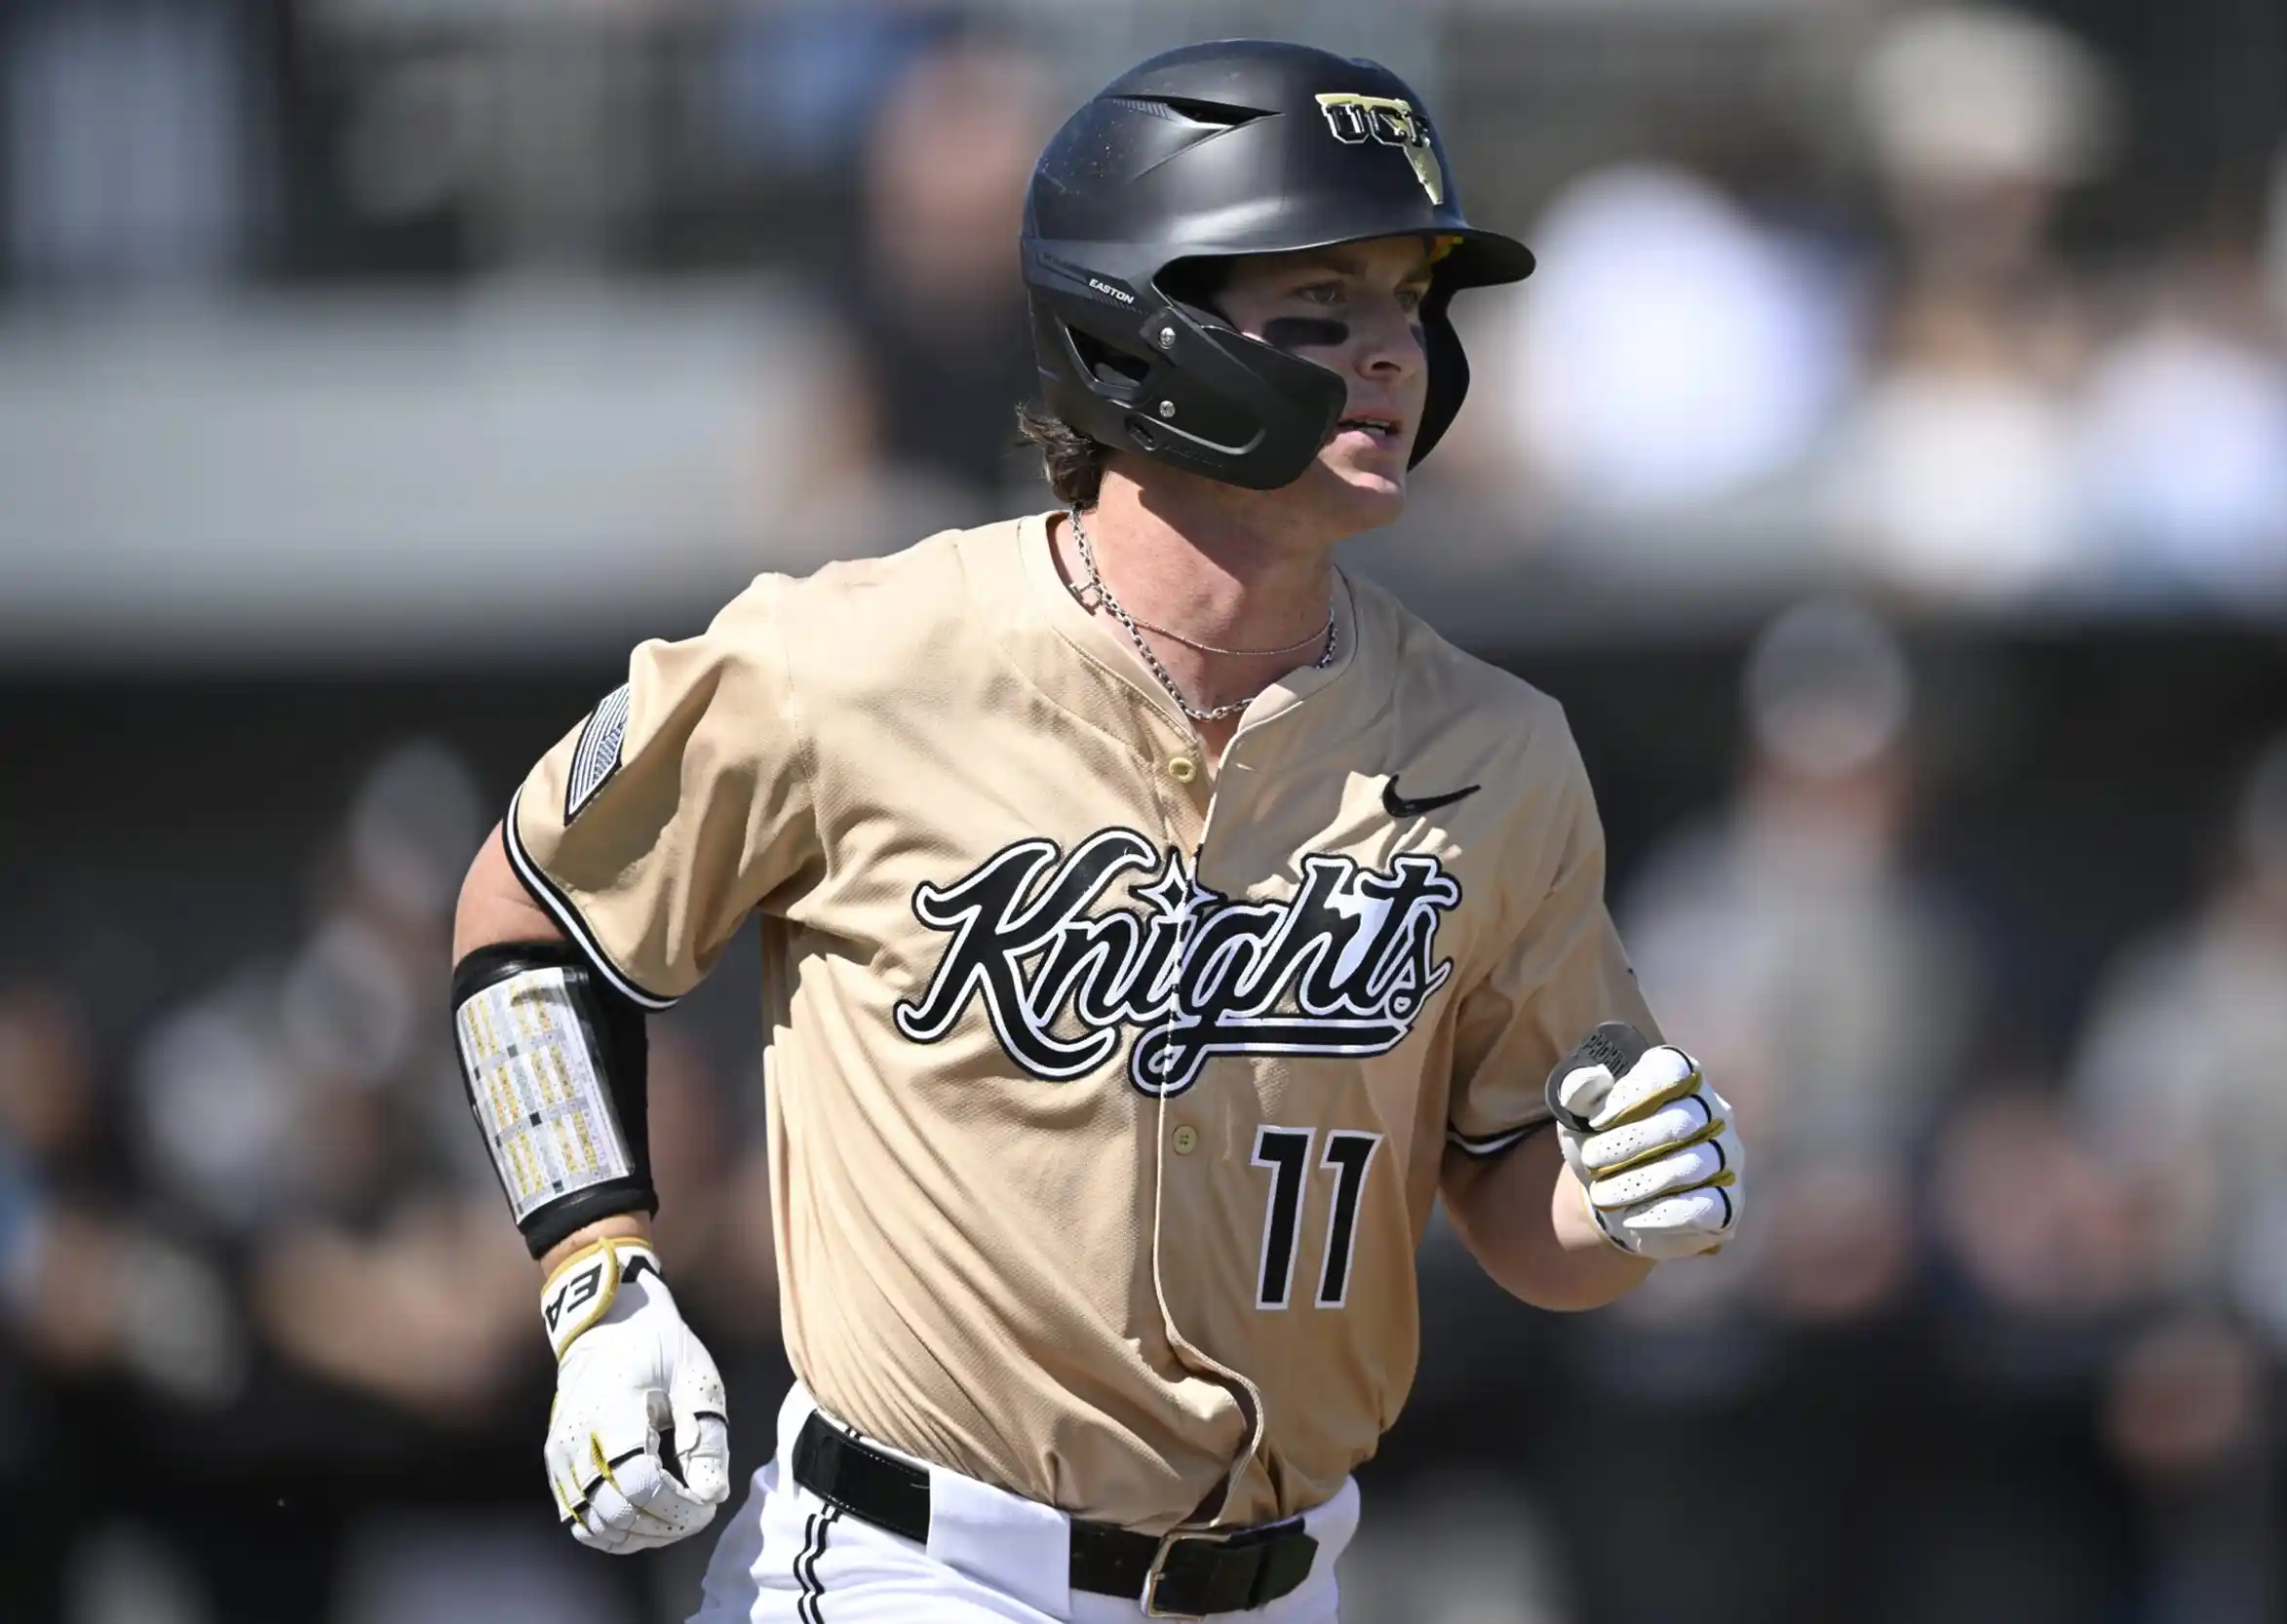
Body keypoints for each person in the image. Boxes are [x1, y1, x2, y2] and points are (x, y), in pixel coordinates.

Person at [448, 40, 1746, 1624]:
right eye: (1321, 304)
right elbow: (530, 916)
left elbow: (1524, 1210)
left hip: (1283, 1578)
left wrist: (1619, 1203)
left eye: (1410, 304)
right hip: (916, 1564)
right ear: (1144, 326)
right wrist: (599, 1279)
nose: (1394, 352)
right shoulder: (853, 659)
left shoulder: (1497, 749)